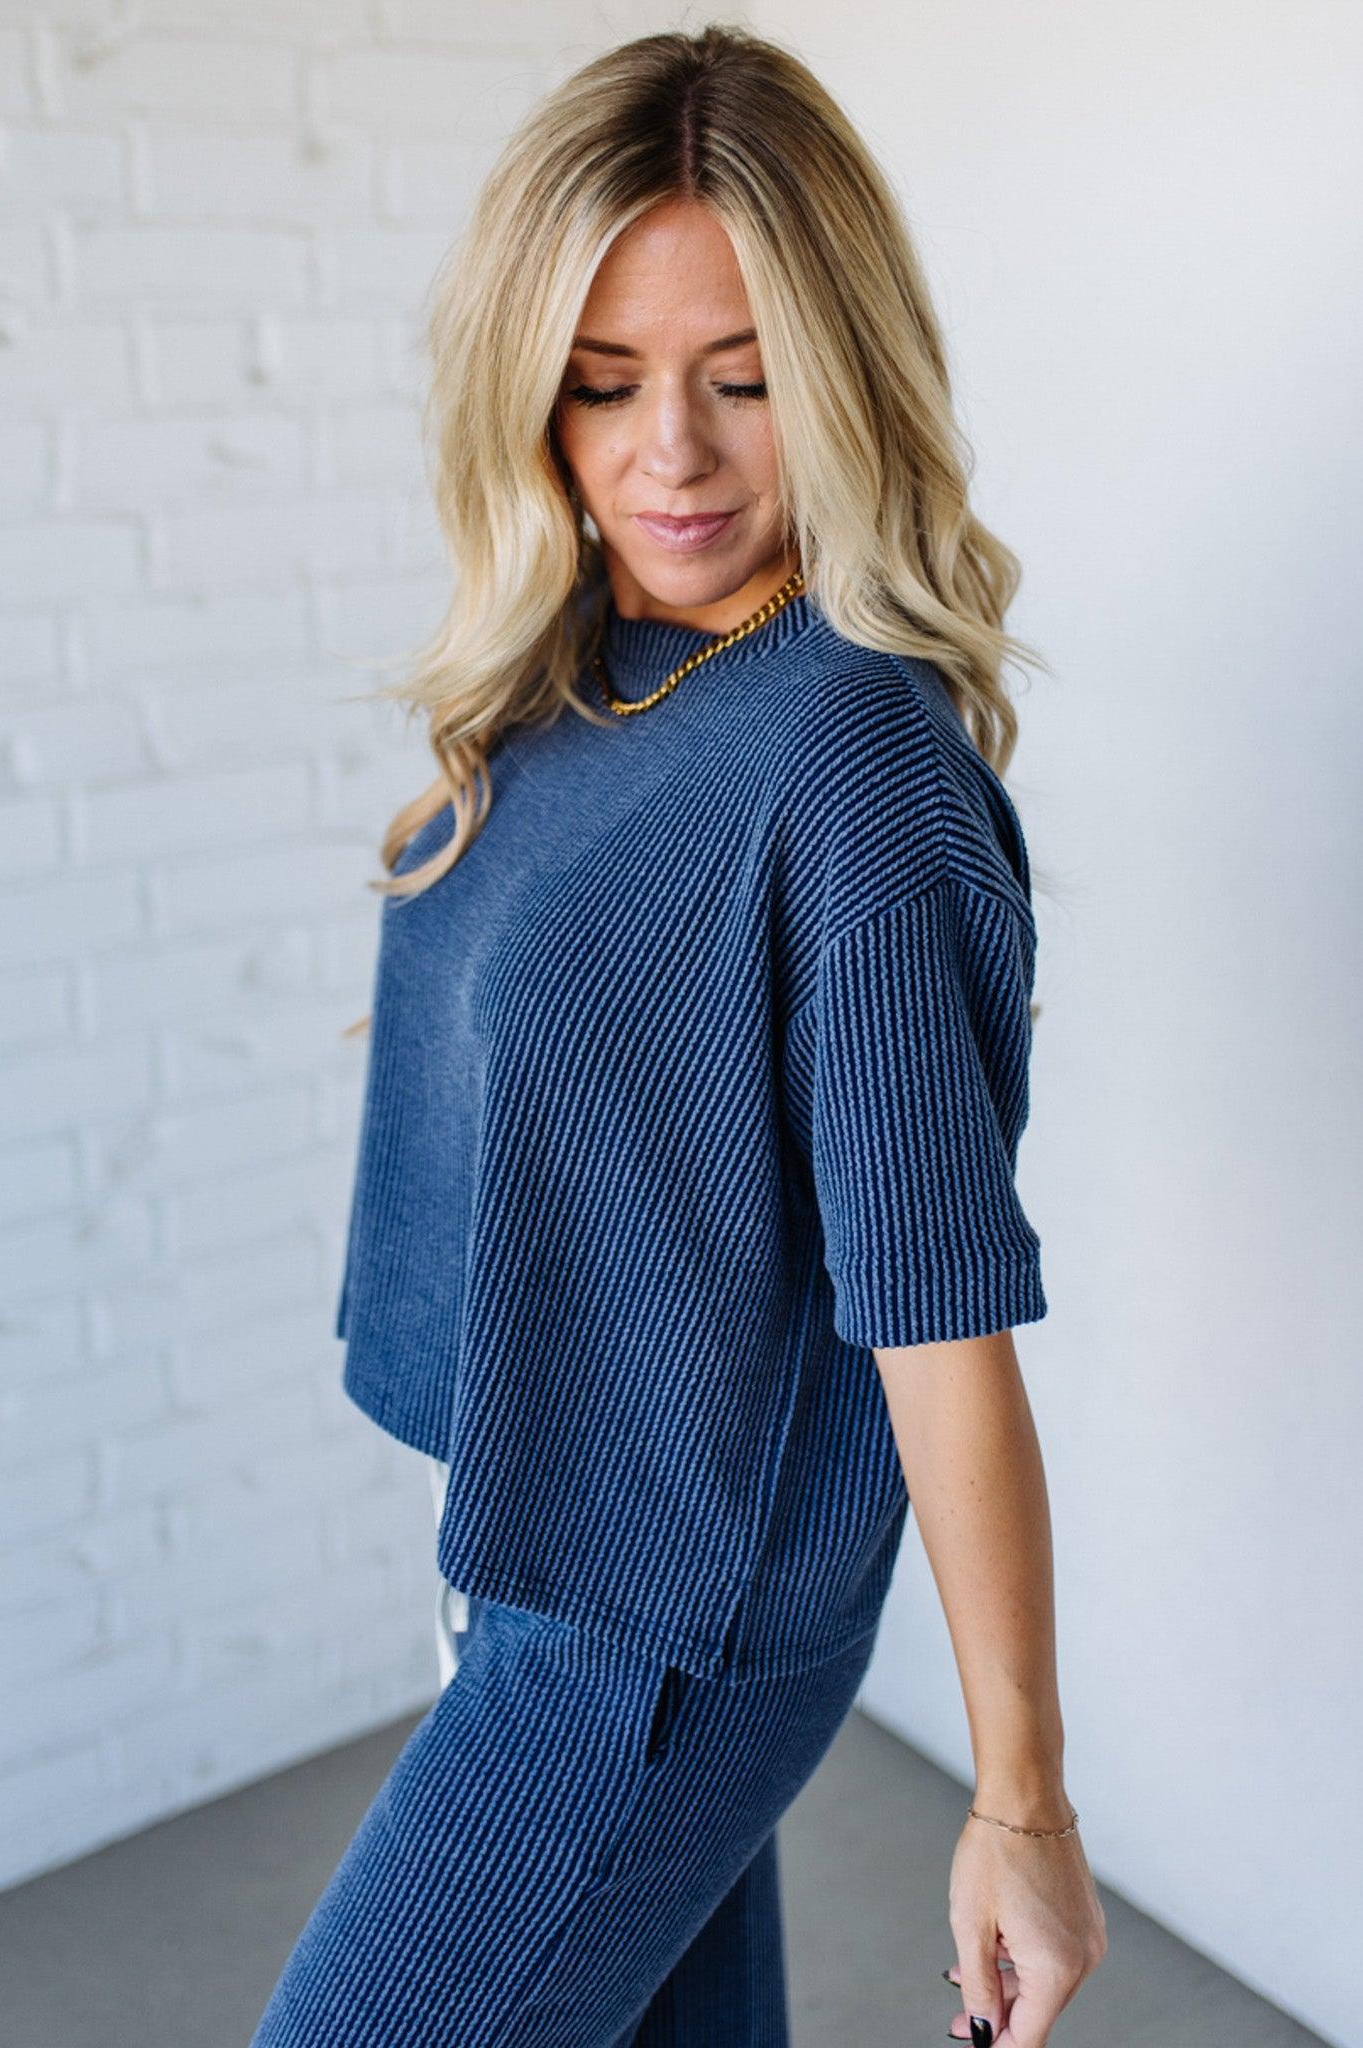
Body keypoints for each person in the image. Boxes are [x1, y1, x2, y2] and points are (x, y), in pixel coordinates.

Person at [250, 23, 1107, 2048]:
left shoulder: (848, 759)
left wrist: (1019, 1804)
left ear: (847, 374)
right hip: (539, 1548)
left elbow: (937, 1318)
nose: (672, 457)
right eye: (602, 378)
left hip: (654, 1631)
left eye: (744, 377)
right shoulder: (584, 665)